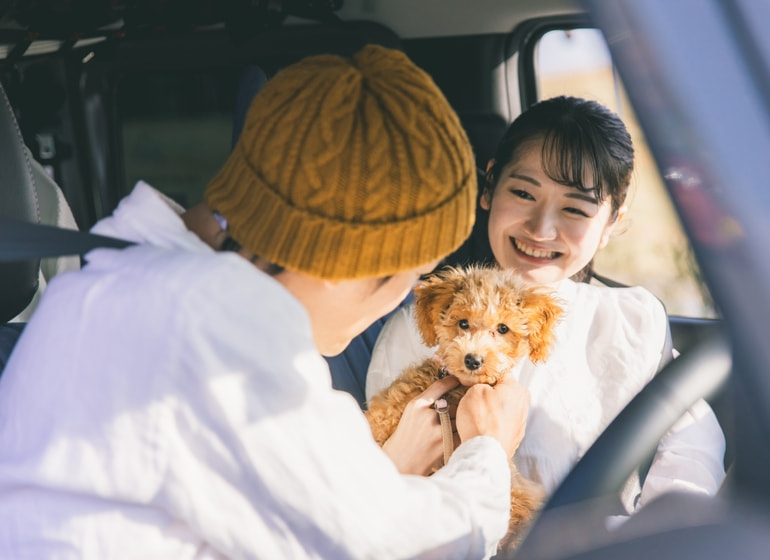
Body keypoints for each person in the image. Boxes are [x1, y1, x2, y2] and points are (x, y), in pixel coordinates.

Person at [0, 45, 532, 559]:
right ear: (354, 262)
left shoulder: (125, 280)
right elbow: (395, 546)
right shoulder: (214, 338)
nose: (404, 296)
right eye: (416, 271)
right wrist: (486, 449)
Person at [366, 95, 726, 516]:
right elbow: (381, 481)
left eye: (574, 208)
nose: (542, 228)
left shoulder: (632, 323)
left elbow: (688, 466)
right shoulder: (419, 327)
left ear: (611, 222)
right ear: (489, 187)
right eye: (522, 193)